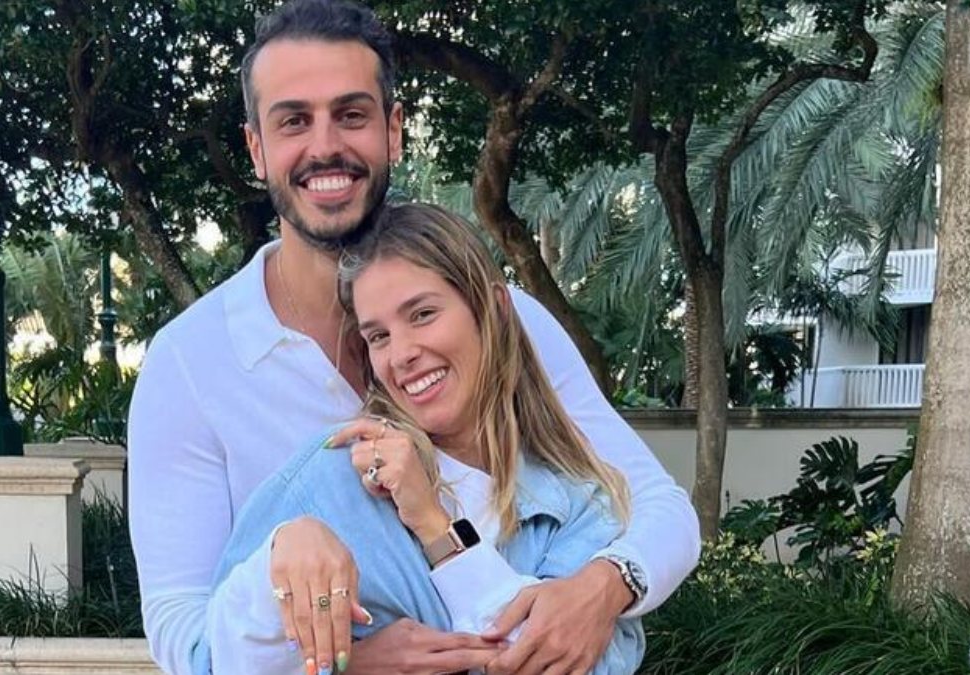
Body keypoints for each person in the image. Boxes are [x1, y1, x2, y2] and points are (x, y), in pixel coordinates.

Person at [126, 0, 700, 673]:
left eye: (351, 114)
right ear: (256, 148)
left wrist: (602, 588)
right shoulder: (189, 363)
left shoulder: (502, 321)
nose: (324, 146)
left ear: (393, 130)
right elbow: (182, 632)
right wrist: (352, 665)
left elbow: (656, 505)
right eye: (293, 121)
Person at [207, 202, 647, 675]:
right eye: (378, 336)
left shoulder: (578, 505)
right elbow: (218, 662)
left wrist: (435, 526)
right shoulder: (330, 478)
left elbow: (552, 662)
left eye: (422, 314)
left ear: (495, 310)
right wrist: (281, 555)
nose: (401, 355)